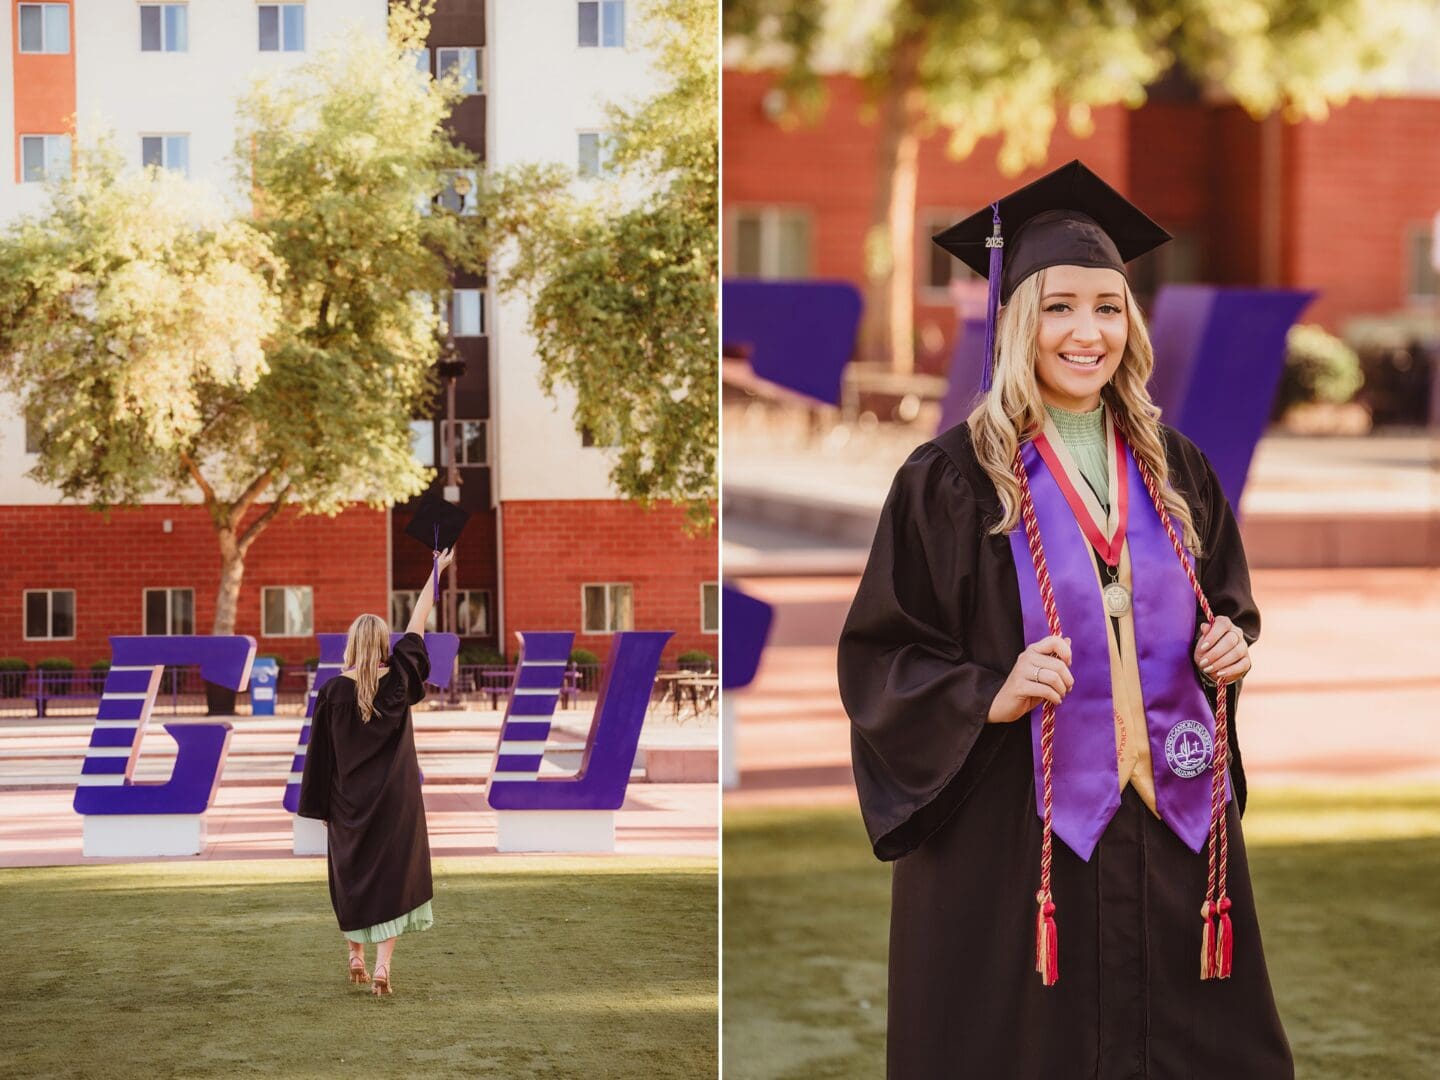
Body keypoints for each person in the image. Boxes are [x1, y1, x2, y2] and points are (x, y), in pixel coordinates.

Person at [838, 161, 1293, 1077]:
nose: (1088, 333)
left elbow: (1228, 599)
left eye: (1109, 308)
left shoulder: (1176, 471)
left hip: (1167, 811)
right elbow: (881, 654)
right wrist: (986, 692)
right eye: (1058, 307)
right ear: (1015, 322)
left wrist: (1231, 640)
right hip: (1019, 823)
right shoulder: (952, 479)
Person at [298, 547, 455, 997]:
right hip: (396, 804)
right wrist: (435, 569)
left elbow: (319, 757)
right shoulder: (401, 679)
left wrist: (322, 809)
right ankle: (384, 966)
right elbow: (418, 620)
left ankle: (355, 955)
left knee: (353, 878)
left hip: (348, 803)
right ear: (384, 645)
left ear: (350, 645)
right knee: (392, 879)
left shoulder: (331, 692)